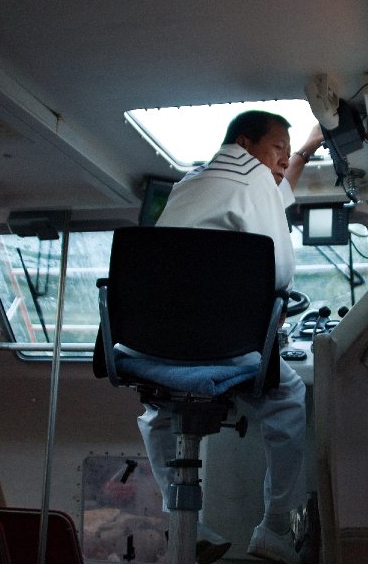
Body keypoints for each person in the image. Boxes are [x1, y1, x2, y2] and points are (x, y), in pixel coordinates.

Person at [137, 110, 322, 564]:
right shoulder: (255, 179)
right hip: (222, 349)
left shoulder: (190, 184)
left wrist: (304, 150)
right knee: (288, 398)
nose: (281, 160)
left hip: (155, 346)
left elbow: (276, 193)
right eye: (276, 147)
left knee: (159, 409)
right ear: (245, 143)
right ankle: (274, 529)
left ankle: (185, 523)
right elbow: (279, 271)